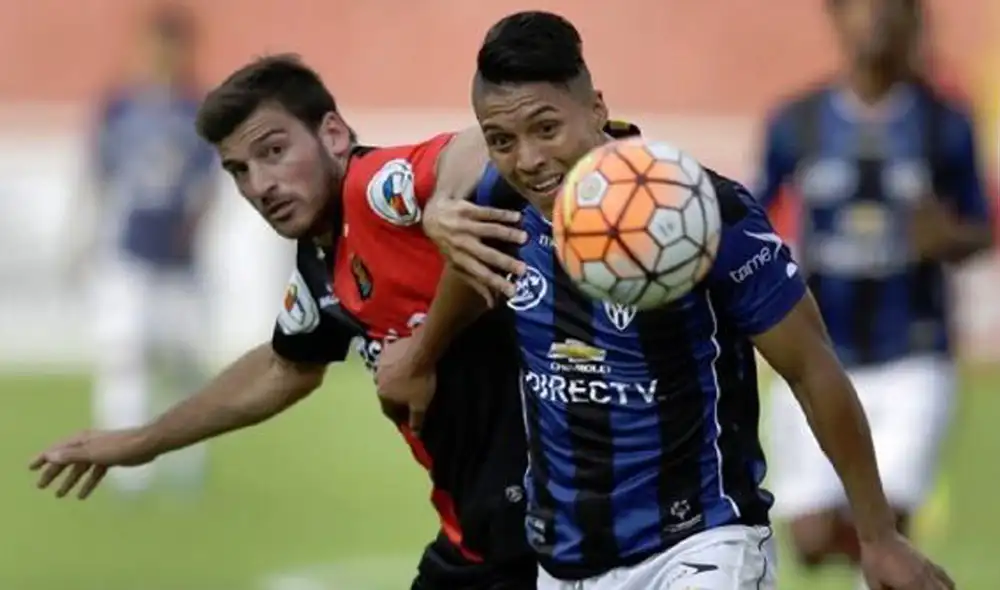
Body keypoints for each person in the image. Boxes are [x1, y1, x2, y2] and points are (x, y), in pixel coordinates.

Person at [375, 10, 956, 590]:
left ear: (597, 109)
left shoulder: (700, 210)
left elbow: (811, 367)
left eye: (546, 129)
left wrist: (877, 536)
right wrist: (422, 356)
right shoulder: (498, 200)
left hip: (701, 546)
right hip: (562, 562)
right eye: (502, 141)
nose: (527, 160)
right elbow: (473, 266)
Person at [32, 54, 537, 590]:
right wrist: (140, 442)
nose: (260, 185)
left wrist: (446, 205)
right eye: (239, 170)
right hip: (473, 533)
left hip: (542, 520)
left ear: (334, 135)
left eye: (274, 151)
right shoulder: (321, 260)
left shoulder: (374, 191)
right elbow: (284, 367)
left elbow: (479, 143)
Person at [753, 0, 992, 582]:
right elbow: (751, 220)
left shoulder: (944, 123)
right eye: (861, 9)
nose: (875, 22)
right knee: (808, 536)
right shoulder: (797, 121)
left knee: (893, 519)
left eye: (890, 10)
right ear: (836, 19)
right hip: (819, 347)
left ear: (911, 21)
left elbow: (982, 227)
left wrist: (947, 237)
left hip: (914, 347)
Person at [77, 4, 217, 494]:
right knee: (124, 355)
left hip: (179, 260)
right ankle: (125, 467)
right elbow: (99, 173)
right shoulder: (119, 105)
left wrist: (197, 225)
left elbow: (209, 181)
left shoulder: (197, 110)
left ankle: (186, 463)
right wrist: (87, 236)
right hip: (129, 253)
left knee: (183, 363)